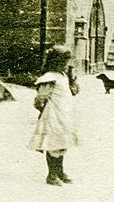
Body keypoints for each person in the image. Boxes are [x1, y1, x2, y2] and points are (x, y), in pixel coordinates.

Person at [29, 44, 80, 186]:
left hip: (65, 115)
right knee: (53, 144)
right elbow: (40, 98)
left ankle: (60, 171)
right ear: (56, 62)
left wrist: (73, 79)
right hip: (53, 116)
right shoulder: (49, 77)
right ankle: (51, 175)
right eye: (64, 61)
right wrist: (43, 111)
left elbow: (74, 91)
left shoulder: (64, 76)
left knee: (62, 143)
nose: (67, 64)